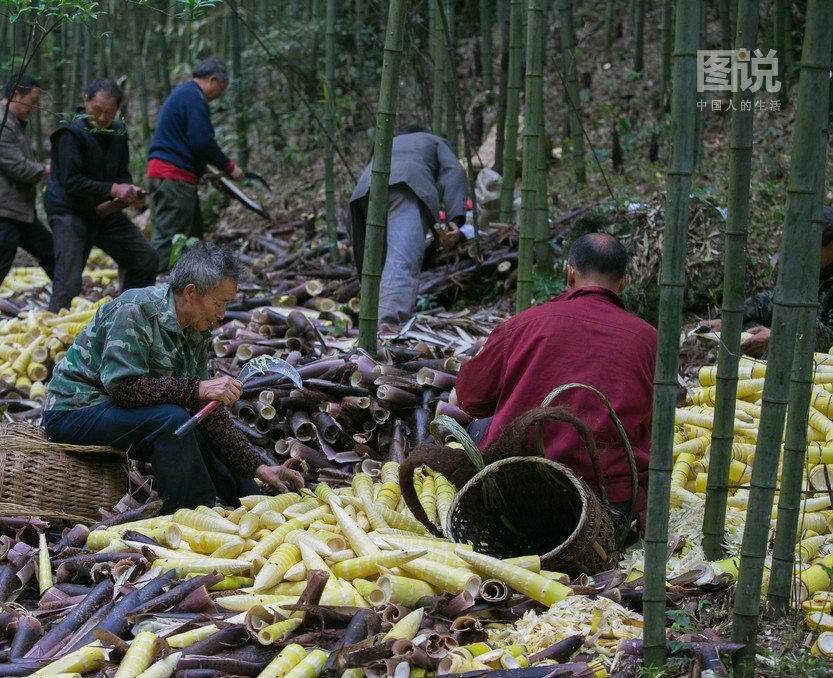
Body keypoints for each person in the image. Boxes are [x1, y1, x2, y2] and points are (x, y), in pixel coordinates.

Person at [43, 242, 303, 511]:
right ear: (191, 293)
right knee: (173, 421)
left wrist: (259, 468)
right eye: (220, 303)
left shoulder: (196, 328)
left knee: (195, 421)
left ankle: (252, 505)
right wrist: (198, 389)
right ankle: (187, 517)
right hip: (74, 411)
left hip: (118, 409)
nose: (222, 314)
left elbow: (206, 409)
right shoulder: (135, 310)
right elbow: (125, 390)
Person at [455, 233, 656, 530]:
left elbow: (470, 399)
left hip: (515, 496)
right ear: (624, 282)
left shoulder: (524, 324)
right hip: (607, 505)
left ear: (569, 272)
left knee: (479, 427)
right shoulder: (648, 338)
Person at [45, 78, 159, 312]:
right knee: (68, 281)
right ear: (86, 101)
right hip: (70, 211)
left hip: (106, 211)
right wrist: (113, 189)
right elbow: (71, 181)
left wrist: (129, 191)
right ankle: (53, 336)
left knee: (145, 259)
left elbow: (122, 173)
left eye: (110, 112)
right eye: (97, 110)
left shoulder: (117, 131)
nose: (103, 118)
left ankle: (127, 318)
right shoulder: (70, 132)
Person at [347, 125, 468, 325]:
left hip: (364, 191)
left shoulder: (388, 141)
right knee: (401, 260)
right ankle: (387, 328)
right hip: (406, 187)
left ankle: (369, 323)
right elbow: (454, 171)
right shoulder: (434, 140)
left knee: (376, 263)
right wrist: (454, 219)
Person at [146, 57, 244, 272]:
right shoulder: (194, 97)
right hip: (172, 177)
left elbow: (186, 144)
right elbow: (201, 142)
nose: (220, 94)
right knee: (169, 241)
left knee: (193, 238)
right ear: (212, 80)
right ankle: (152, 290)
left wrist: (207, 173)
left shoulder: (185, 94)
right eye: (222, 88)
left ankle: (190, 288)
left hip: (173, 175)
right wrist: (229, 167)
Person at [699, 205, 833, 357]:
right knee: (741, 330)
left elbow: (829, 344)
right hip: (798, 343)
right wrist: (727, 320)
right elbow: (771, 302)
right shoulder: (813, 271)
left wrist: (778, 338)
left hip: (820, 363)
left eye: (811, 247)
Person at [0, 74, 55, 307]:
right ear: (16, 94)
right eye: (33, 99)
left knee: (50, 251)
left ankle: (67, 295)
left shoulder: (10, 122)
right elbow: (18, 166)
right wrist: (49, 170)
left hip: (16, 208)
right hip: (3, 210)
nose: (34, 107)